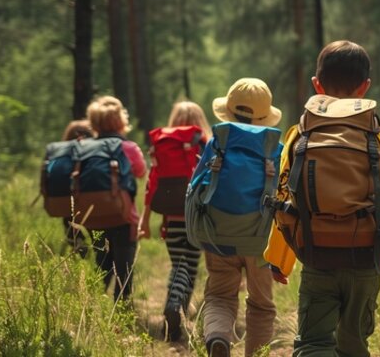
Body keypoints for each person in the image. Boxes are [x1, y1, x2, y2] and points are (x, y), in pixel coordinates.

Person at [264, 40, 380, 357]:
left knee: (313, 342)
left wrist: (278, 258)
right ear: (365, 88)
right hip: (366, 257)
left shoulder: (299, 135)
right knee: (353, 343)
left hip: (316, 253)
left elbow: (284, 198)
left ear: (316, 85)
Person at [187, 78, 283, 356]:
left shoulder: (218, 143)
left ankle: (218, 337)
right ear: (264, 116)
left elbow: (196, 186)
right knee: (262, 306)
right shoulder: (275, 149)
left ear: (228, 112)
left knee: (219, 296)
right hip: (260, 241)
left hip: (219, 234)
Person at [141, 101, 211, 341]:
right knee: (189, 268)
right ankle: (175, 307)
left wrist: (146, 218)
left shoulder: (164, 147)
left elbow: (152, 184)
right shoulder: (202, 143)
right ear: (200, 121)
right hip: (194, 220)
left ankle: (174, 313)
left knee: (177, 266)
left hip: (170, 220)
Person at [85, 96, 147, 302]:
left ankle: (93, 309)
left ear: (94, 122)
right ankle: (121, 311)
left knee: (101, 264)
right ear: (121, 121)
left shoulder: (85, 148)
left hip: (94, 216)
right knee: (124, 268)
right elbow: (140, 171)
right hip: (124, 216)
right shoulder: (127, 147)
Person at [60, 120, 95, 257]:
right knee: (96, 240)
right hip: (92, 206)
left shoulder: (62, 154)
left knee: (75, 239)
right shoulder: (93, 153)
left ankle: (82, 260)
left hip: (67, 207)